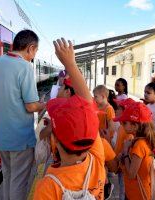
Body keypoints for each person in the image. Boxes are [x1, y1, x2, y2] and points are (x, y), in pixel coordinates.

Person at [34, 38, 106, 200]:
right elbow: (88, 105)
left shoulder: (47, 187)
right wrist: (71, 64)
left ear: (55, 140)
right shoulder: (96, 161)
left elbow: (87, 104)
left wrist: (70, 64)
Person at [0, 30, 45, 200]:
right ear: (30, 48)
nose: (34, 56)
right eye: (35, 51)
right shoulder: (24, 67)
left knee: (8, 177)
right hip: (19, 138)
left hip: (0, 137)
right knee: (19, 182)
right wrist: (46, 104)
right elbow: (31, 106)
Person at [114, 102, 155, 200]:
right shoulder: (141, 141)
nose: (121, 125)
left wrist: (125, 152)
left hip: (137, 194)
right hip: (133, 192)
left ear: (135, 126)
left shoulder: (139, 144)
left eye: (124, 123)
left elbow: (131, 174)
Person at [112, 98, 135, 200]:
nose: (116, 110)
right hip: (121, 165)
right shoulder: (122, 127)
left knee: (125, 191)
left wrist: (120, 156)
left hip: (125, 166)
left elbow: (125, 150)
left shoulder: (128, 130)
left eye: (118, 108)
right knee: (122, 188)